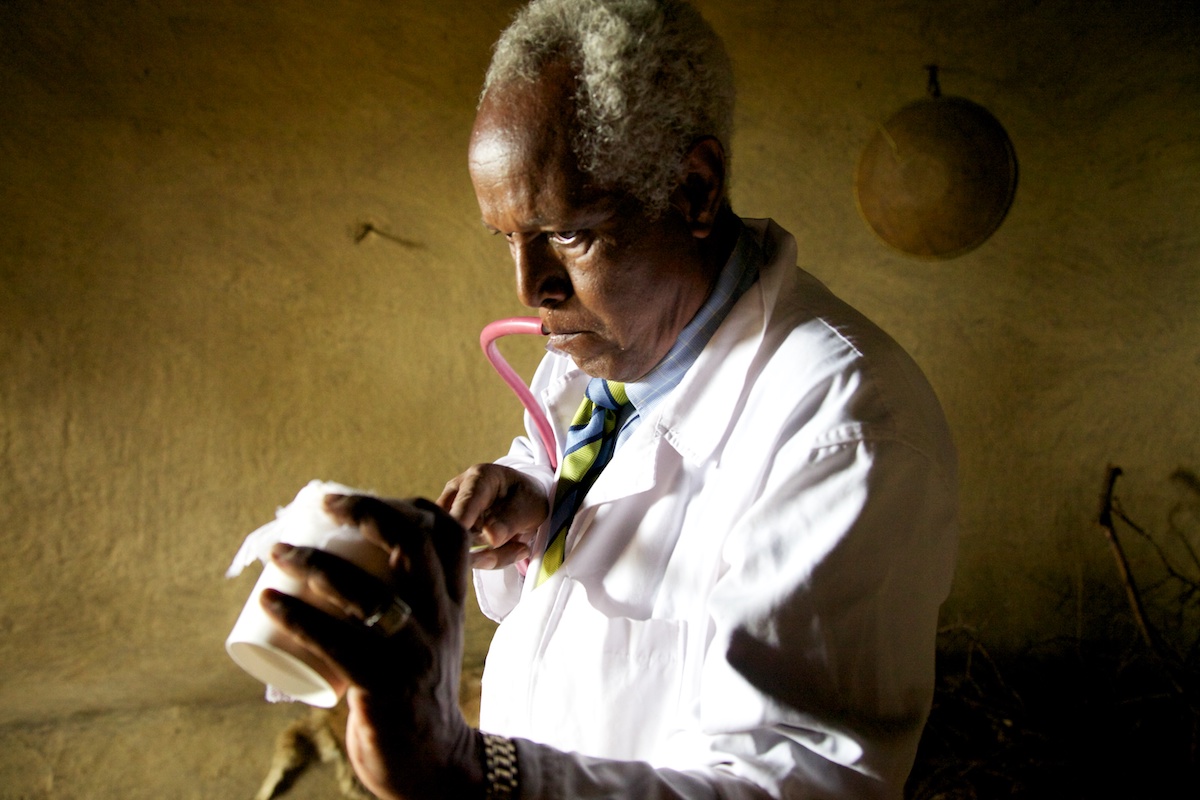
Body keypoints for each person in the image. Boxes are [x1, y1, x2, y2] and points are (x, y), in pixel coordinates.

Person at [261, 1, 958, 798]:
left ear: (694, 191)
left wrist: (465, 769)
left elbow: (794, 787)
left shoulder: (847, 429)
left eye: (569, 233)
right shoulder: (607, 347)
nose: (533, 289)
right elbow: (599, 481)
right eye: (507, 239)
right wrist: (535, 495)